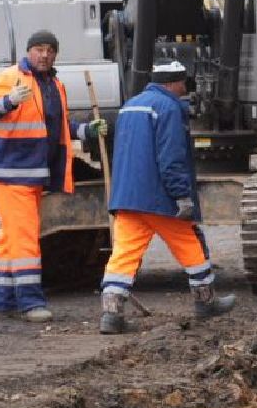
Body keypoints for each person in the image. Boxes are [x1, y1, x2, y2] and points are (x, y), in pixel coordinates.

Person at [98, 60, 235, 333]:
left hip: (126, 197)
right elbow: (171, 157)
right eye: (183, 83)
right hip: (159, 199)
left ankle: (111, 315)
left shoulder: (130, 106)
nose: (185, 89)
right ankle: (205, 303)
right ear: (172, 83)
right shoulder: (169, 108)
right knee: (190, 245)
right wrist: (181, 195)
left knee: (123, 256)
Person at [0, 29, 107, 322]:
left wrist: (87, 130)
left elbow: (59, 124)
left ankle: (2, 302)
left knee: (11, 237)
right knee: (24, 237)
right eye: (39, 49)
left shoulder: (55, 85)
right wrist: (9, 101)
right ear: (28, 52)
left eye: (50, 50)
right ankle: (30, 303)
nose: (45, 54)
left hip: (34, 173)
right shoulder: (11, 77)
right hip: (11, 173)